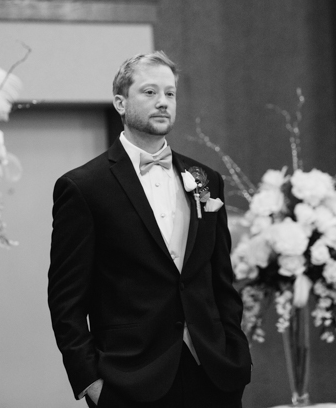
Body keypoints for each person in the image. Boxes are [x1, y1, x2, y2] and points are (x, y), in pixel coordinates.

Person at [48, 51, 251, 407]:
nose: (163, 103)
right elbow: (66, 300)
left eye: (170, 94)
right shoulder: (83, 187)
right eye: (149, 92)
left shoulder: (206, 180)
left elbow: (221, 280)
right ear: (120, 103)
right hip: (130, 379)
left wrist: (236, 352)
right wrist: (91, 382)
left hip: (214, 374)